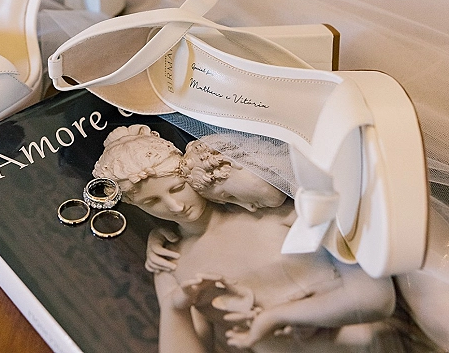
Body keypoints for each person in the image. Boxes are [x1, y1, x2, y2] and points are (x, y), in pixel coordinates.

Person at [93, 125, 396, 352]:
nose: (175, 206)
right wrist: (176, 309)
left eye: (176, 188)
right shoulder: (171, 262)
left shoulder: (276, 212)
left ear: (186, 172)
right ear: (136, 207)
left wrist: (274, 316)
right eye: (151, 202)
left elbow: (375, 298)